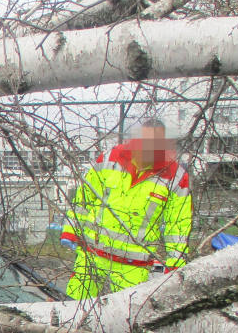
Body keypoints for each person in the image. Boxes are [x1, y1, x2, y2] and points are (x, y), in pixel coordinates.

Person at [60, 119, 192, 299]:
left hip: (134, 265)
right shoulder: (110, 159)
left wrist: (174, 265)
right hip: (92, 254)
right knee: (72, 306)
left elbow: (177, 225)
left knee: (126, 316)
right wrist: (71, 231)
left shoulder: (175, 177)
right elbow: (84, 198)